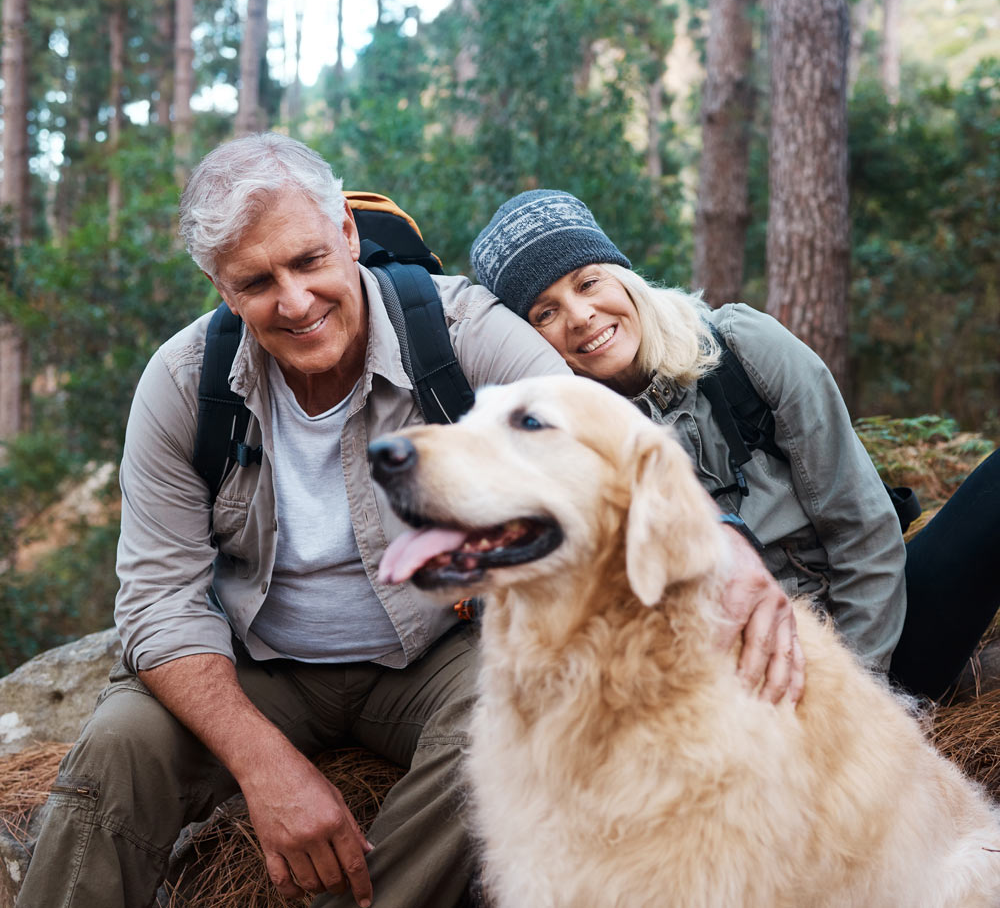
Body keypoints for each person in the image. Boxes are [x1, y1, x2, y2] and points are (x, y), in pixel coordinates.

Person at [16, 137, 802, 908]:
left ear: (348, 234)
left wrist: (725, 538)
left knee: (512, 720)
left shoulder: (459, 330)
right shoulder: (184, 383)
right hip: (260, 662)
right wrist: (266, 765)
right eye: (256, 281)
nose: (293, 300)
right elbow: (158, 604)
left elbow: (607, 442)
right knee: (121, 744)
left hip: (438, 650)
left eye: (309, 261)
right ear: (222, 288)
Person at [470, 188, 1000, 699]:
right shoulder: (567, 449)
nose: (580, 316)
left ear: (624, 278)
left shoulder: (744, 348)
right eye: (545, 312)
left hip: (868, 633)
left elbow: (861, 528)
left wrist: (859, 695)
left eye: (587, 283)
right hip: (734, 689)